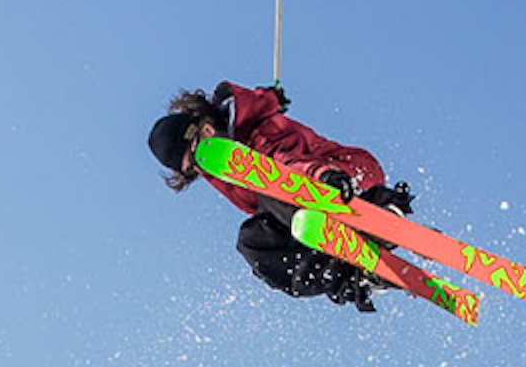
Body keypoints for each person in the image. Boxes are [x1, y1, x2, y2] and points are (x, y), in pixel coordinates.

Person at [146, 82, 417, 311]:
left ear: (205, 127)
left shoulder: (258, 131)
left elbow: (286, 161)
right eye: (194, 167)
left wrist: (323, 176)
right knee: (252, 241)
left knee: (270, 187)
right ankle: (355, 275)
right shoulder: (216, 171)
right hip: (307, 220)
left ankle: (379, 213)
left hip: (344, 176)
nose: (203, 165)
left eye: (199, 151)